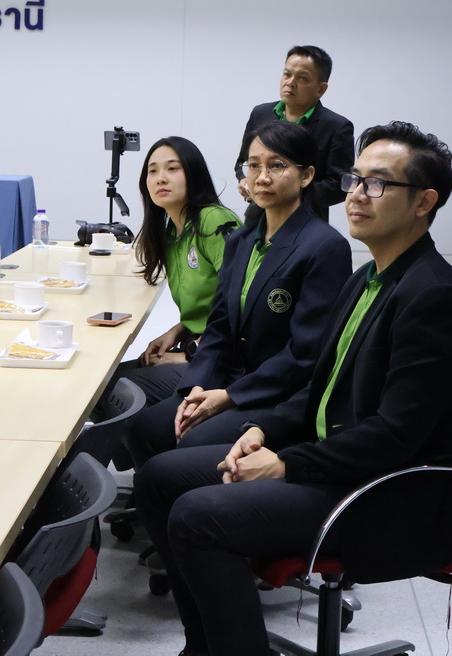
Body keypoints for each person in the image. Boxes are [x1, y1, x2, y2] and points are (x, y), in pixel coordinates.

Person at [135, 121, 452, 656]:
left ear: (423, 202)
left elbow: (394, 436)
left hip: (374, 493)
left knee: (197, 517)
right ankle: (205, 646)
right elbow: (321, 389)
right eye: (355, 179)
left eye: (377, 183)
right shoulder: (368, 278)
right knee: (159, 478)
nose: (356, 194)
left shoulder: (432, 296)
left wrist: (286, 463)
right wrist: (263, 429)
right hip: (333, 461)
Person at [125, 120, 353, 469]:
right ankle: (162, 496)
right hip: (230, 379)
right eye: (254, 165)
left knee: (190, 441)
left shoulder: (324, 246)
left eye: (276, 166)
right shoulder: (242, 241)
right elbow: (219, 327)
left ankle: (188, 497)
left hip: (280, 395)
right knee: (145, 428)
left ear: (307, 176)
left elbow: (305, 354)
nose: (261, 177)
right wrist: (197, 386)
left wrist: (229, 396)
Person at [93, 136, 240, 415]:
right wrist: (177, 330)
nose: (161, 178)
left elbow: (242, 300)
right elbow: (208, 304)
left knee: (105, 390)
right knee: (100, 381)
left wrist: (190, 352)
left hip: (226, 356)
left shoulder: (213, 219)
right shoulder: (171, 231)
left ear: (193, 174)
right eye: (153, 171)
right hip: (202, 343)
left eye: (172, 168)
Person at [234, 45, 354, 223]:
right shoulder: (260, 113)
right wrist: (244, 179)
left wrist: (288, 192)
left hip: (306, 220)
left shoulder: (336, 126)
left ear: (321, 89)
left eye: (302, 78)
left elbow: (340, 185)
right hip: (257, 217)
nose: (290, 82)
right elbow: (242, 162)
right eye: (287, 74)